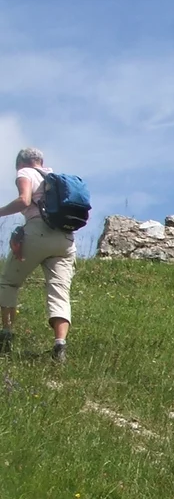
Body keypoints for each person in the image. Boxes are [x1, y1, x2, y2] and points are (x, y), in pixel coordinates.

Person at [0, 148, 76, 362]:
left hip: (38, 232)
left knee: (8, 282)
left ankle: (6, 334)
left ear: (21, 163)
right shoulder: (55, 178)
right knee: (59, 291)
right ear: (41, 161)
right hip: (65, 239)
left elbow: (24, 201)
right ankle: (60, 344)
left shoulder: (25, 173)